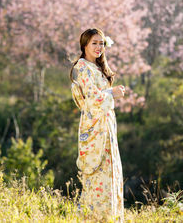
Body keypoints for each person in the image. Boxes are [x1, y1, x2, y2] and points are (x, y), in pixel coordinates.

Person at [69, 27, 125, 222]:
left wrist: (111, 92)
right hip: (95, 129)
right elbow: (92, 98)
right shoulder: (82, 67)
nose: (99, 47)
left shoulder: (98, 68)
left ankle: (110, 218)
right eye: (94, 43)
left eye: (101, 43)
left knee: (110, 174)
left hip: (106, 126)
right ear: (85, 45)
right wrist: (112, 93)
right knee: (98, 175)